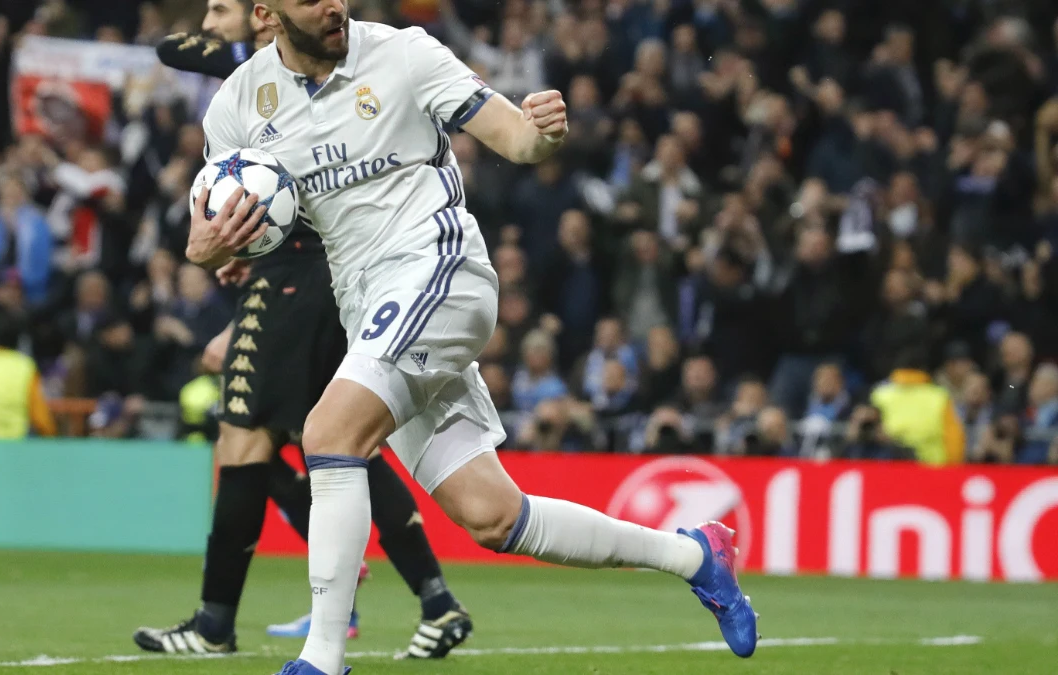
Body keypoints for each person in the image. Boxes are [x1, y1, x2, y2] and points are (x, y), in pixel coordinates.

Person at [190, 2, 759, 674]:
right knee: (493, 516)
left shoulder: (404, 54)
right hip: (367, 305)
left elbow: (516, 138)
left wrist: (542, 133)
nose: (332, 5)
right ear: (268, 12)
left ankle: (322, 659)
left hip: (439, 269)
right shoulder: (236, 106)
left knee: (328, 433)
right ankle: (696, 554)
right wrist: (209, 246)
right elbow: (221, 221)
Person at [132, 0, 473, 659]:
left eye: (221, 9)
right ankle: (433, 597)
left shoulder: (298, 71)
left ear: (265, 18)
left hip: (306, 281)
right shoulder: (261, 92)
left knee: (245, 438)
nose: (208, 22)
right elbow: (176, 49)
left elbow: (172, 47)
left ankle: (215, 623)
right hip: (314, 277)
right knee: (340, 441)